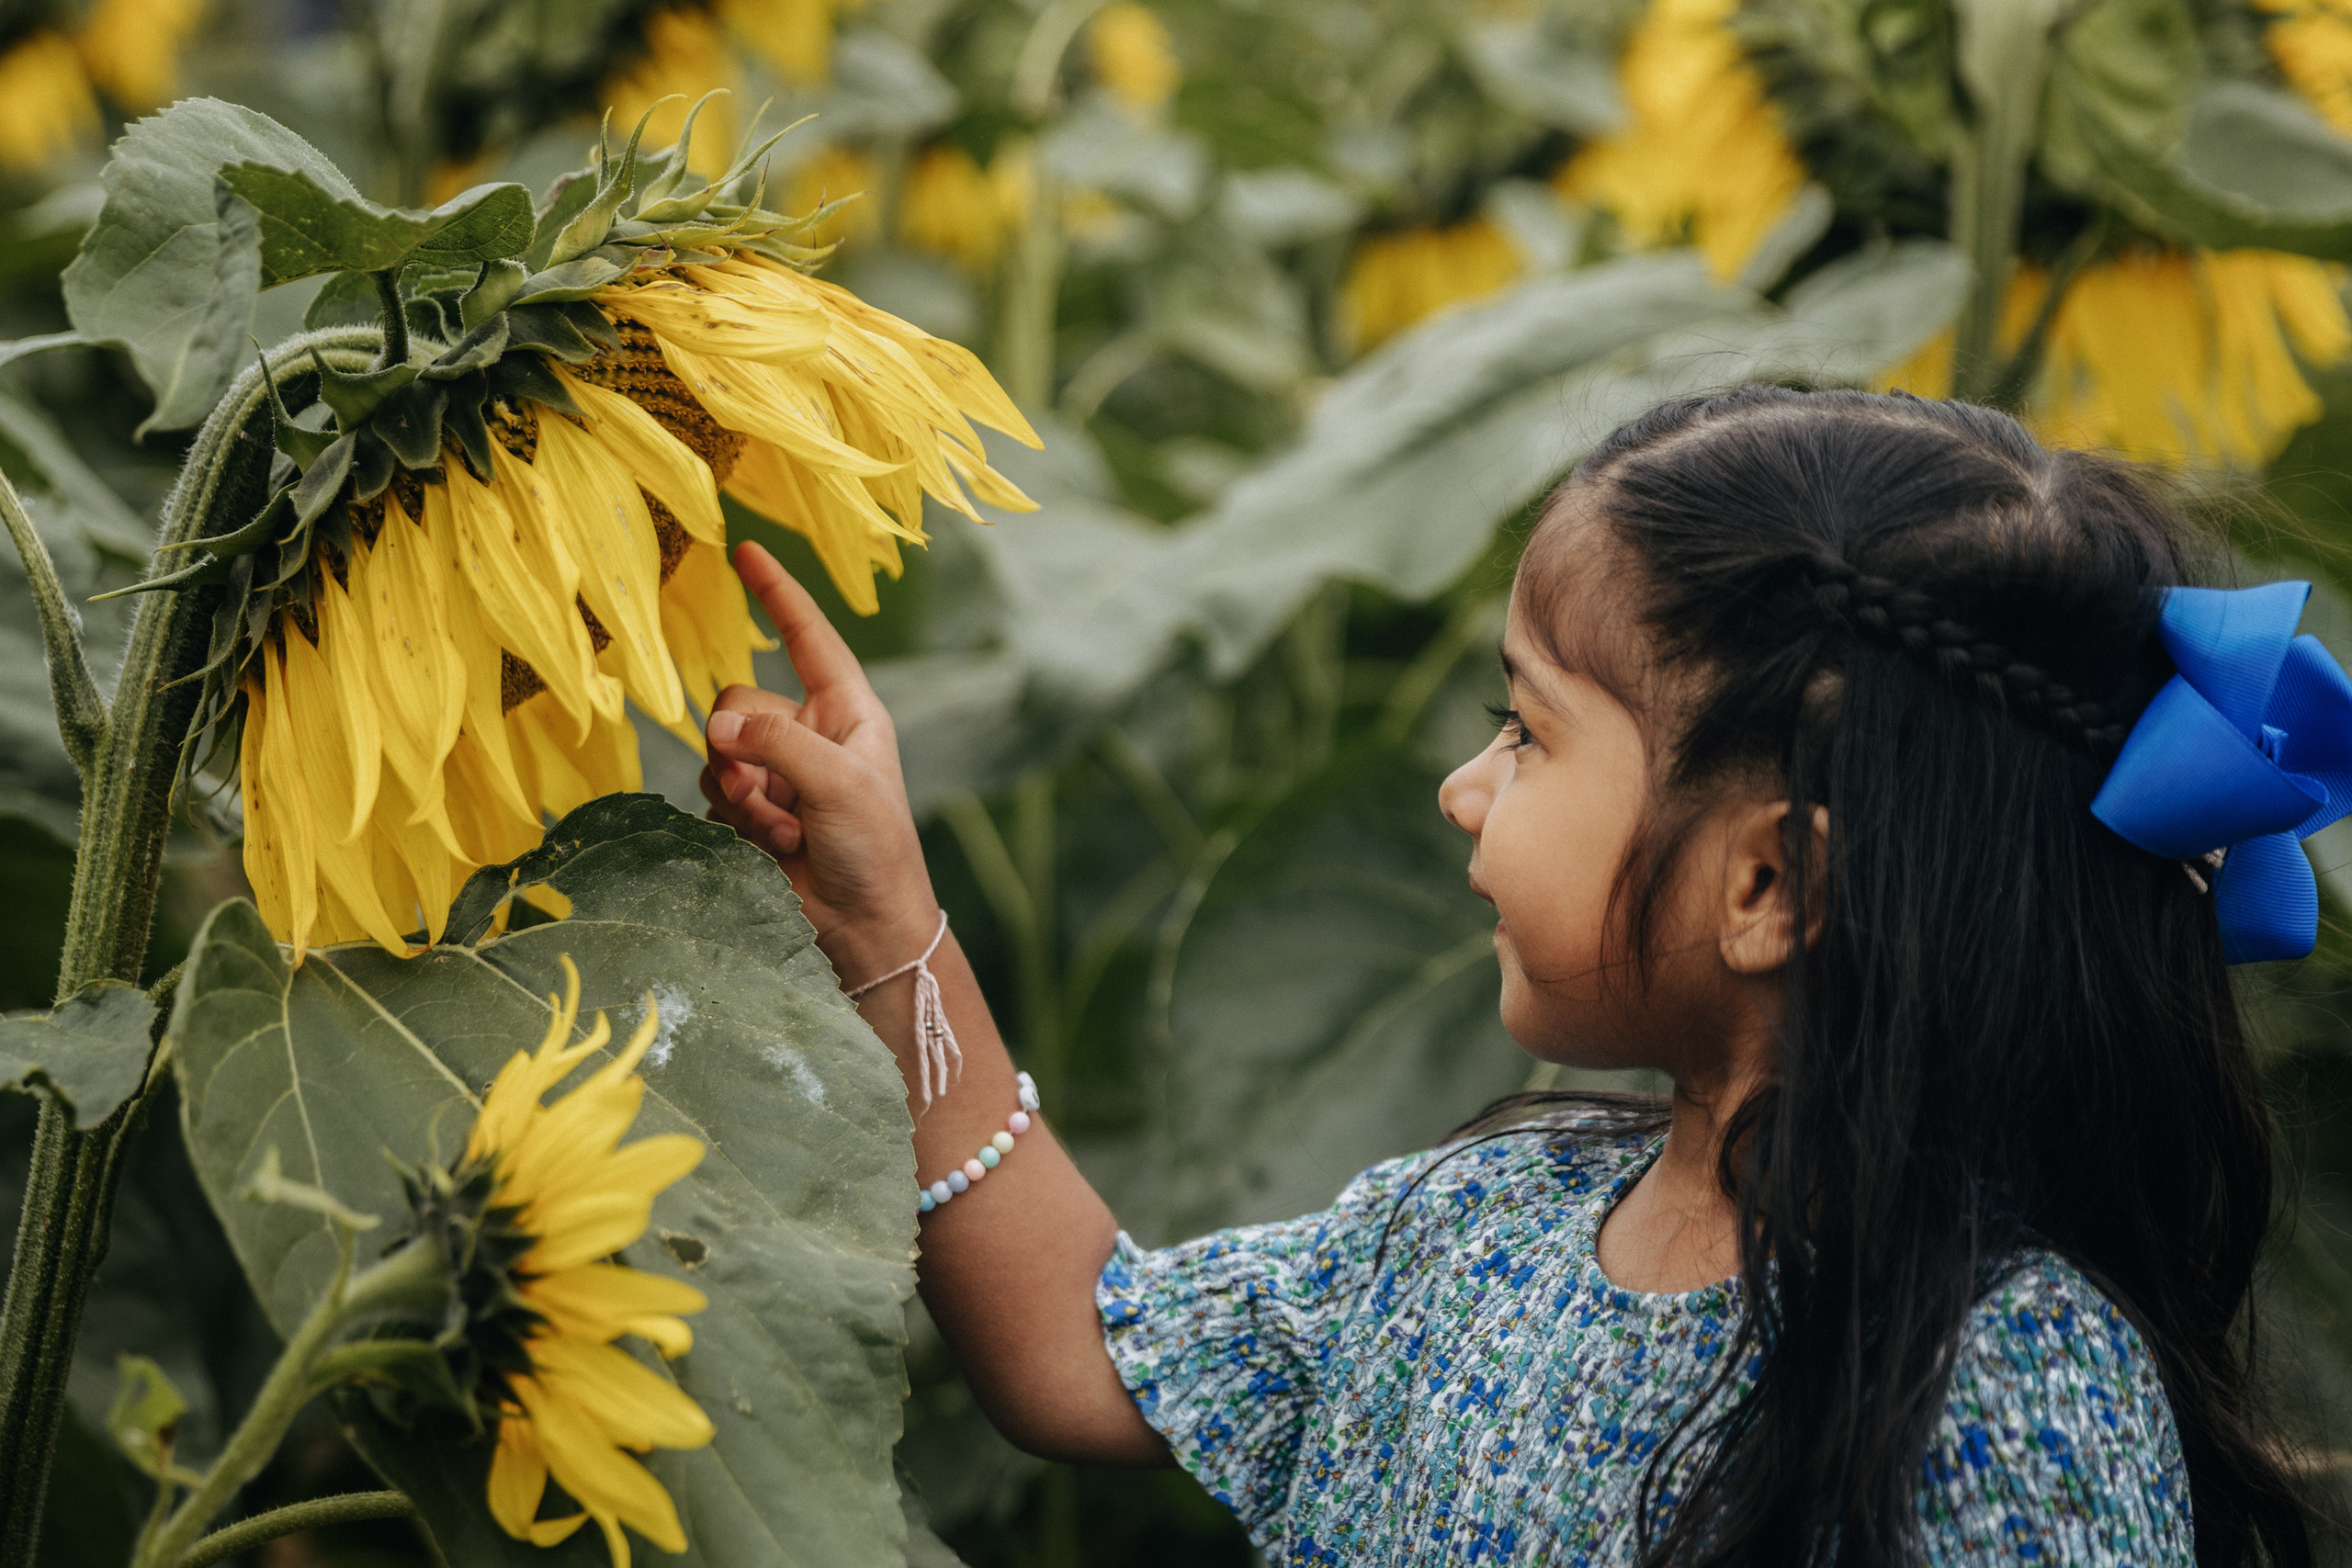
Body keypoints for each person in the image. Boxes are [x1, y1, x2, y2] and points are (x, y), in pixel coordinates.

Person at [699, 385, 2329, 1564]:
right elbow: (1080, 1346)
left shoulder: (2005, 1391)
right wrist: (886, 915)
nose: (1464, 787)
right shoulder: (1473, 1227)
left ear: (1772, 881)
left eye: (1529, 731)